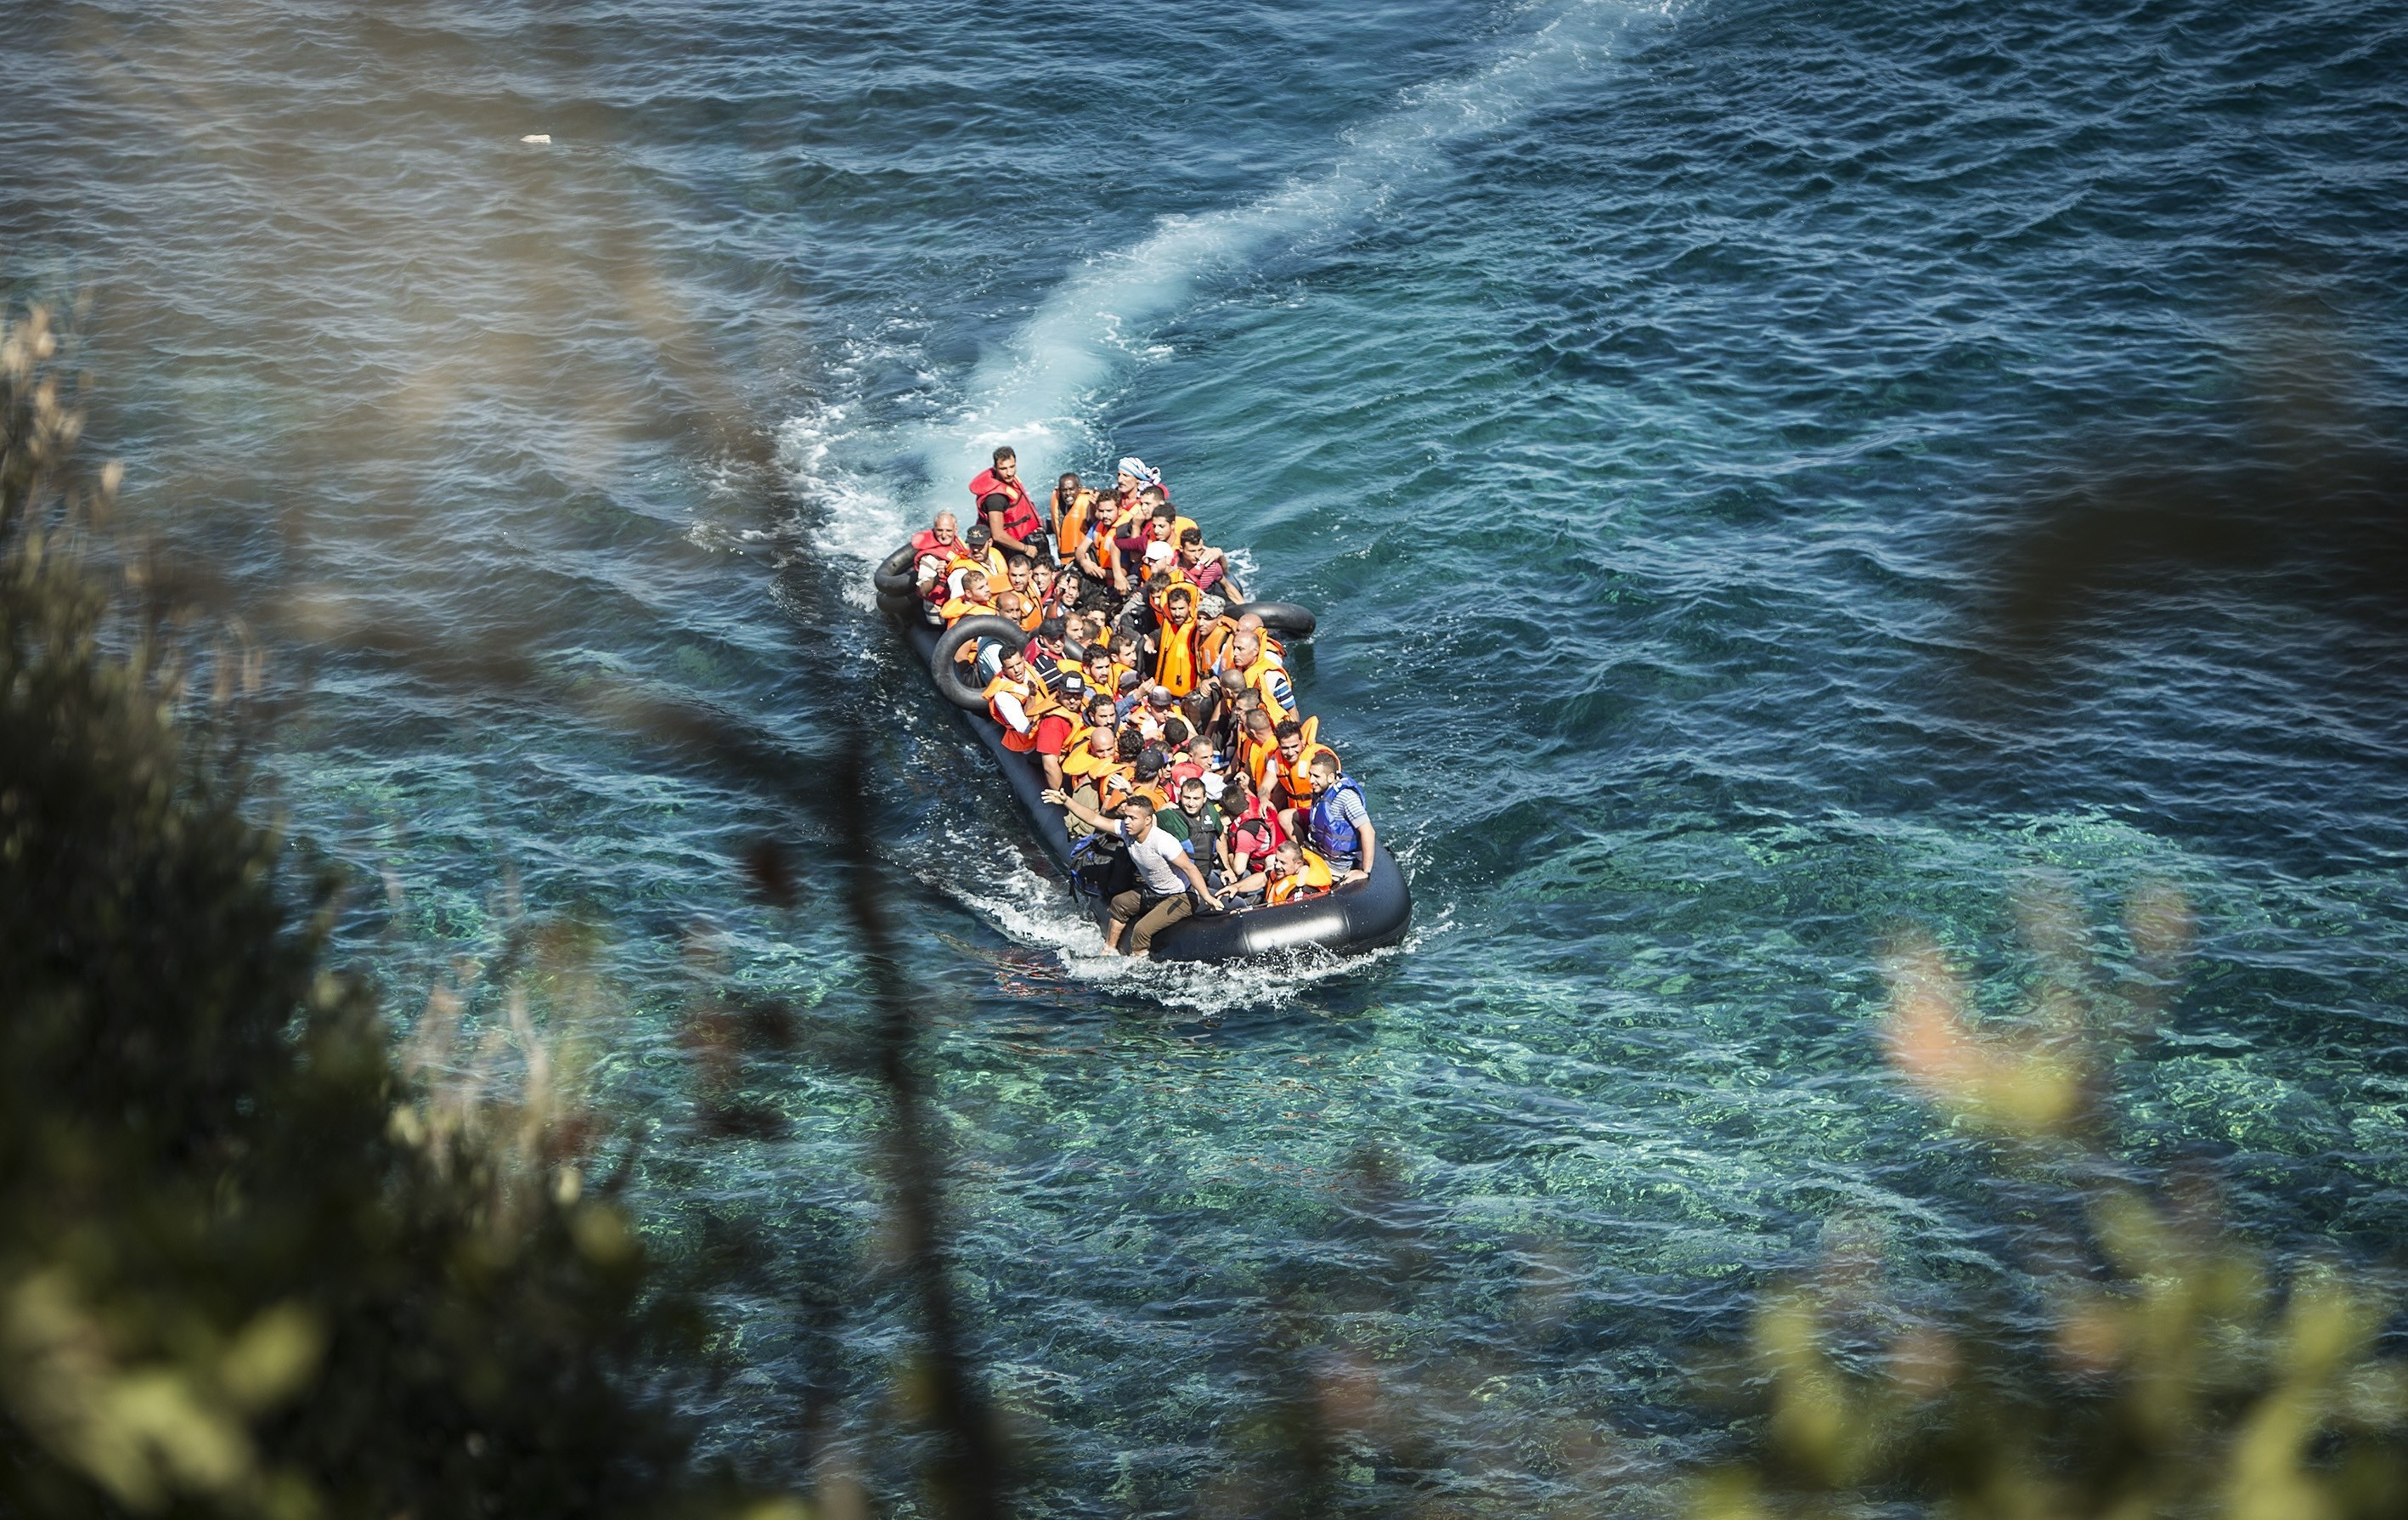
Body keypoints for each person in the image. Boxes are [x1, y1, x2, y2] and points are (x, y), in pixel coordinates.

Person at [1040, 789, 1220, 957]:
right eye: (1126, 816)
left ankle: (1138, 965)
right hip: (1155, 891)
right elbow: (1094, 819)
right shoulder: (1126, 831)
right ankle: (1109, 949)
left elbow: (1190, 868)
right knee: (1119, 903)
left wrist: (1207, 897)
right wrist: (1067, 802)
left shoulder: (1163, 842)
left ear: (1148, 820)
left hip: (1181, 896)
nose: (1127, 821)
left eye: (1133, 818)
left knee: (1141, 930)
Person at [983, 647, 1074, 792]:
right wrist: (1031, 697)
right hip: (1033, 745)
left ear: (1023, 660)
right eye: (1011, 668)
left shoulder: (1030, 670)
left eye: (1019, 664)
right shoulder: (1003, 696)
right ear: (1004, 670)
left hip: (1051, 723)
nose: (1017, 670)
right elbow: (1025, 729)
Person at [1303, 750, 1377, 884]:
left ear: (1331, 777)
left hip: (1334, 865)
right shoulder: (1321, 791)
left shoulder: (1346, 798)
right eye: (1310, 775)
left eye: (1316, 776)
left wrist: (1365, 871)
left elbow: (1368, 831)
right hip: (1317, 852)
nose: (1311, 780)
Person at [968, 445, 1048, 562]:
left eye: (1012, 467)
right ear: (995, 468)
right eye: (1003, 469)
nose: (1009, 473)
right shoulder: (995, 499)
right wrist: (1025, 549)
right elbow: (998, 535)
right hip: (1008, 550)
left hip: (1022, 535)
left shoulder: (1010, 481)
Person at [1229, 839, 1331, 906]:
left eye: (1283, 863)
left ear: (1298, 864)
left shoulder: (1302, 892)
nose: (1277, 866)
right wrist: (1236, 887)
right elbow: (1264, 878)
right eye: (1276, 860)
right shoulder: (1285, 871)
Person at [1152, 584, 1204, 698]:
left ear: (1189, 607)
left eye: (1181, 609)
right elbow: (1156, 635)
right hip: (1165, 691)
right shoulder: (1168, 625)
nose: (1177, 614)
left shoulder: (1197, 628)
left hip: (1189, 694)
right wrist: (1151, 641)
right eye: (1173, 609)